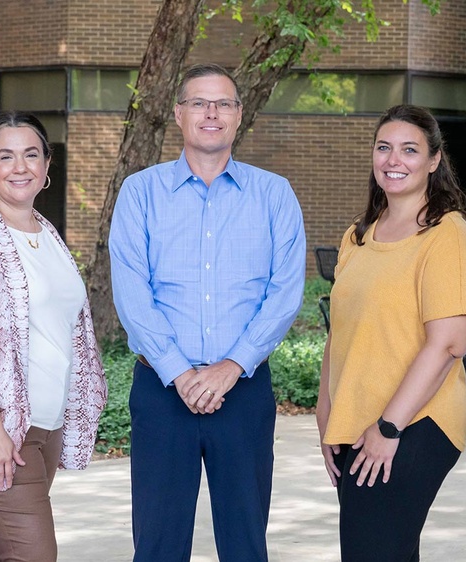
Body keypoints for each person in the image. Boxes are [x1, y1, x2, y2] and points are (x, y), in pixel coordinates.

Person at [109, 63, 306, 562]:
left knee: (244, 545)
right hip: (160, 393)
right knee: (156, 546)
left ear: (240, 115)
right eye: (199, 102)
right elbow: (133, 295)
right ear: (179, 114)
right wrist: (181, 374)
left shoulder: (274, 194)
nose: (211, 113)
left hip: (243, 394)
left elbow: (283, 295)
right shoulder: (140, 193)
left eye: (223, 103)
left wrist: (230, 367)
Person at [0, 111, 108, 561]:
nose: (20, 166)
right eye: (6, 156)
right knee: (34, 554)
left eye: (31, 154)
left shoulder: (48, 234)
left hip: (47, 427)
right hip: (0, 432)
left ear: (47, 165)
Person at [316, 104, 466, 561]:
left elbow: (450, 343)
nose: (394, 159)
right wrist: (328, 410)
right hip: (358, 423)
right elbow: (343, 328)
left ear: (433, 160)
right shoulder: (360, 235)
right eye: (384, 147)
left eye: (409, 150)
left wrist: (389, 427)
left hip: (414, 424)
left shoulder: (448, 236)